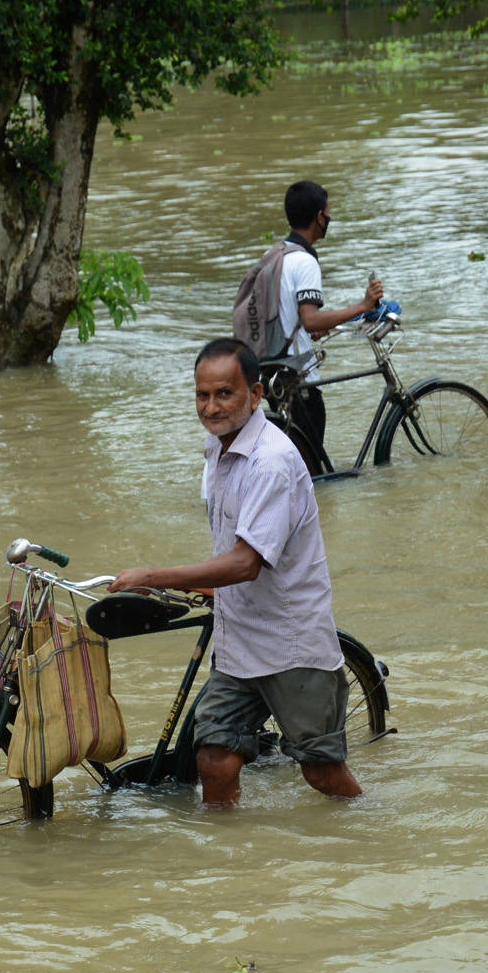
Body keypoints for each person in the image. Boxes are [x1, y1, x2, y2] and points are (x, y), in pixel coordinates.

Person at [110, 338, 361, 807]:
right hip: (239, 637)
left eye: (225, 393)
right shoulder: (217, 449)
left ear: (256, 394)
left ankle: (370, 829)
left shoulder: (272, 462)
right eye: (202, 396)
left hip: (290, 642)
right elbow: (233, 547)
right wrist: (195, 586)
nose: (211, 407)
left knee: (322, 772)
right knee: (214, 761)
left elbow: (246, 562)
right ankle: (228, 862)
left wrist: (156, 575)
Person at [273, 180, 384, 455]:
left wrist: (312, 327)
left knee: (299, 459)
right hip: (298, 378)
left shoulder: (275, 254)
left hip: (274, 371)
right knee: (311, 469)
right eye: (327, 212)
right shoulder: (304, 260)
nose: (328, 218)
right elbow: (310, 319)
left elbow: (291, 317)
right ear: (318, 217)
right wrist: (364, 305)